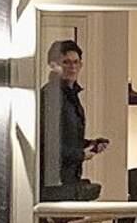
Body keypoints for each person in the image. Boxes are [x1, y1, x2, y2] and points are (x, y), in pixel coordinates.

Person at [39, 39, 109, 196]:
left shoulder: (71, 96)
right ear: (53, 65)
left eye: (76, 62)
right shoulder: (51, 96)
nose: (72, 67)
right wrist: (81, 154)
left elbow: (66, 138)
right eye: (66, 62)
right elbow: (48, 146)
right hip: (54, 183)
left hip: (69, 179)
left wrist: (90, 144)